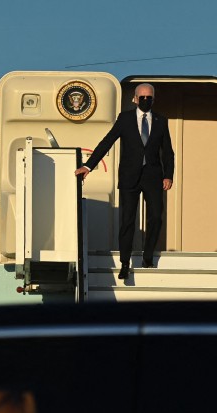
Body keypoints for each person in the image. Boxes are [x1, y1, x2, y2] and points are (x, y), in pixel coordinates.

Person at [74, 83, 174, 281]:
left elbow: (168, 151)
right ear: (135, 99)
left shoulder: (161, 121)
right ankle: (125, 263)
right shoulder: (125, 119)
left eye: (149, 97)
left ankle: (147, 256)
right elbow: (107, 141)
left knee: (156, 217)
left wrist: (168, 175)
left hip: (153, 176)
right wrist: (88, 166)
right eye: (142, 97)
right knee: (127, 221)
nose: (145, 100)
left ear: (154, 99)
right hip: (129, 177)